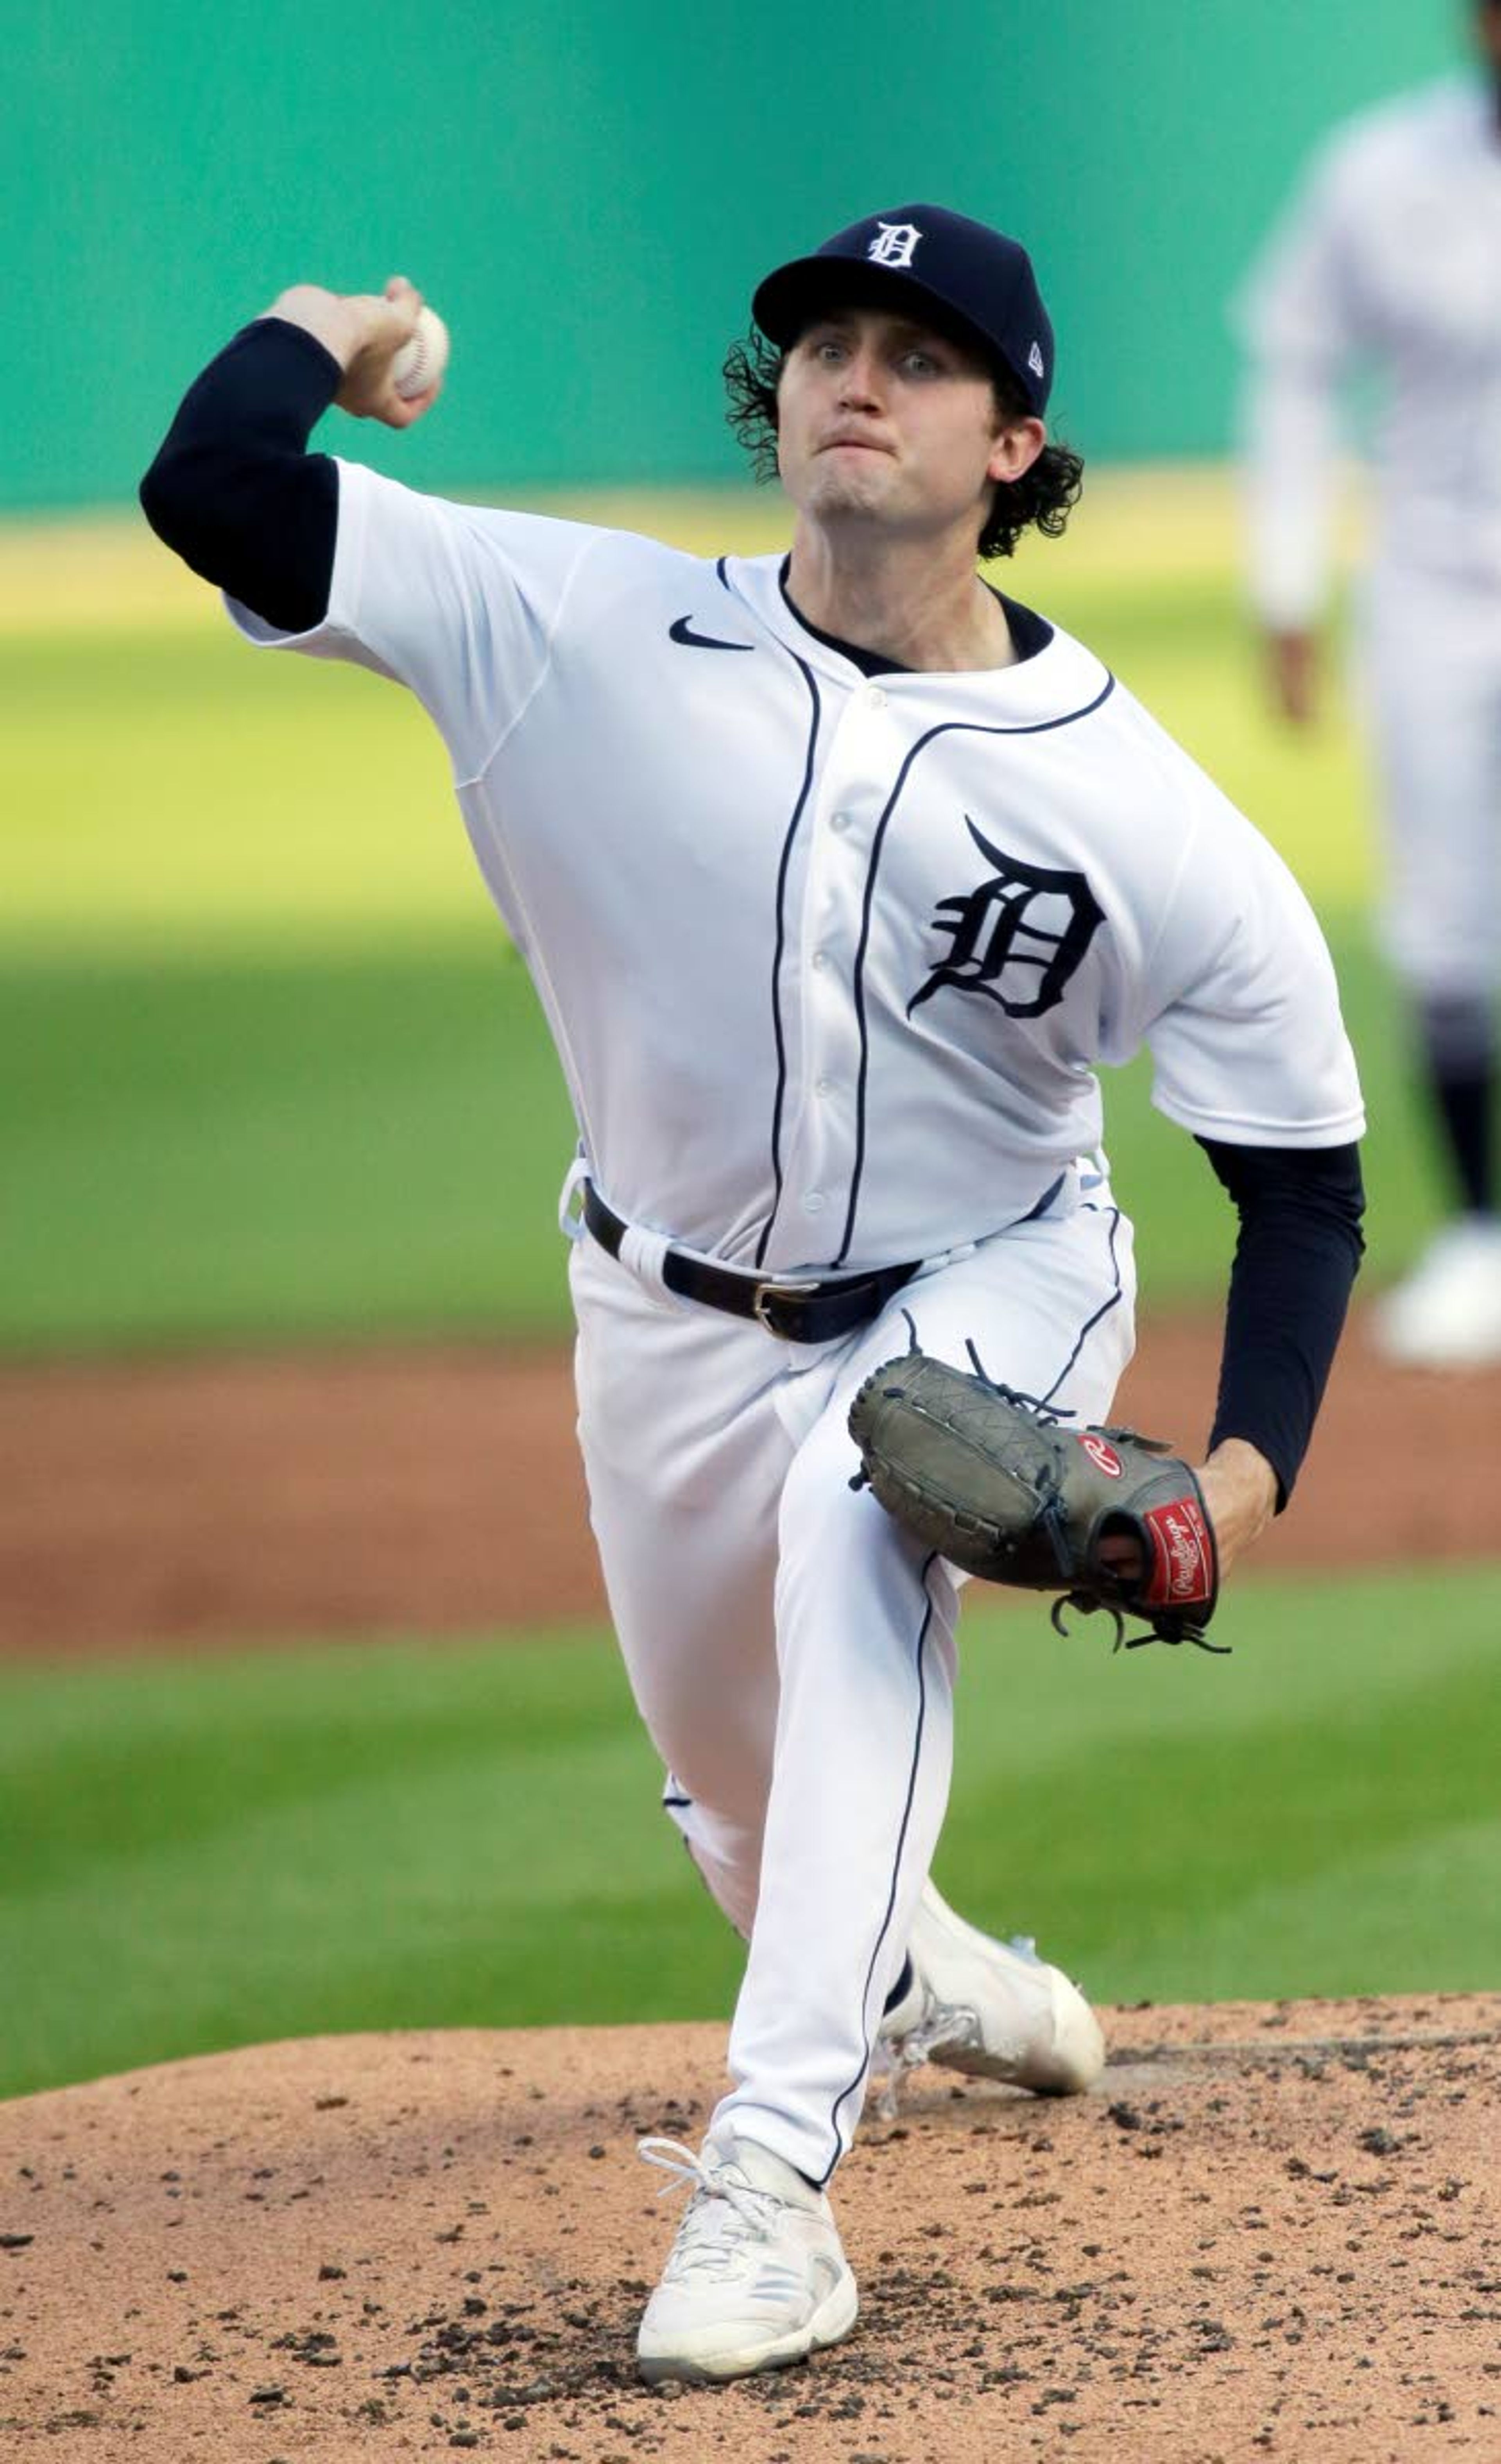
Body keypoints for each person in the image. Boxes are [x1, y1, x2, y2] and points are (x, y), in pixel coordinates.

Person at [140, 203, 1365, 2385]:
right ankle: (908, 1971)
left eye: (921, 350)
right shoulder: (574, 624)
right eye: (823, 341)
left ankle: (771, 2187)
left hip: (987, 1280)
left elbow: (1301, 1188)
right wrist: (323, 328)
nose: (856, 374)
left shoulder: (1143, 814)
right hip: (658, 1316)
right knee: (746, 1808)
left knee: (874, 1496)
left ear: (1016, 437)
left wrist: (1244, 1485)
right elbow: (217, 493)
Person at [1236, 4, 1501, 1367]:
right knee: (1449, 922)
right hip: (1440, 593)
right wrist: (1287, 584)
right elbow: (1293, 362)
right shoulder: (1383, 174)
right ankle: (1478, 1227)